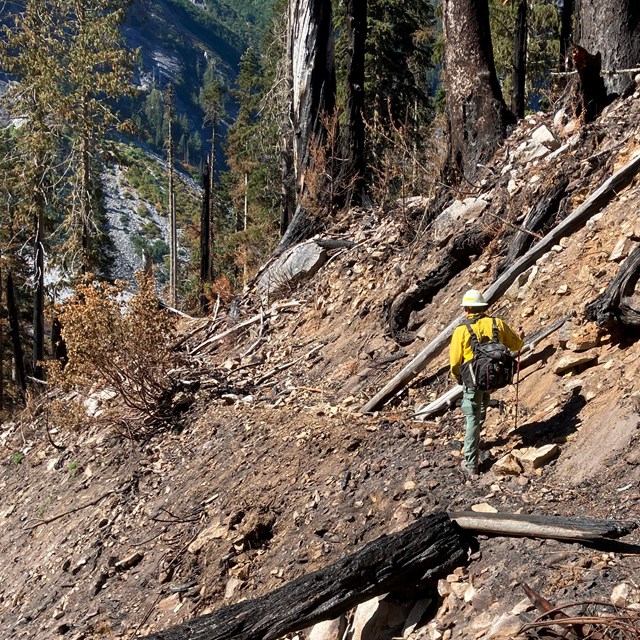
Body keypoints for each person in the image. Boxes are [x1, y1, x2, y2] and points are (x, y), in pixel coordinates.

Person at [449, 289, 524, 477]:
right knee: (481, 406)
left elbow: (455, 362)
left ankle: (470, 463)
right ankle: (476, 442)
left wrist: (459, 377)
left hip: (473, 380)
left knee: (472, 416)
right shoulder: (497, 323)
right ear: (483, 307)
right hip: (492, 378)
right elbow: (517, 345)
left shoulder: (461, 331)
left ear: (466, 308)